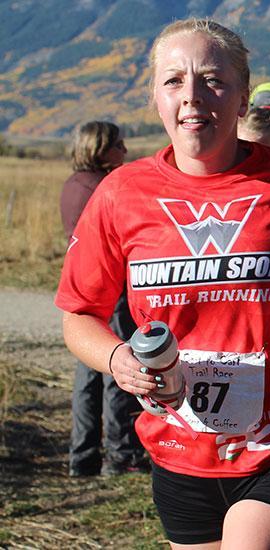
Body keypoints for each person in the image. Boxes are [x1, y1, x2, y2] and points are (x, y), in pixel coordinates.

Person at [55, 19, 270, 548]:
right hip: (179, 449)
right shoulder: (120, 194)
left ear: (242, 99)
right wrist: (116, 359)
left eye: (213, 80)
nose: (193, 96)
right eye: (174, 81)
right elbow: (79, 314)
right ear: (155, 98)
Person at [60, 121, 146, 477]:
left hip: (85, 287)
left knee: (88, 374)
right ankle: (120, 453)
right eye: (119, 144)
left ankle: (82, 456)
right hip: (109, 289)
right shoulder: (102, 188)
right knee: (117, 367)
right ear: (101, 147)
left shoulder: (73, 185)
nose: (125, 151)